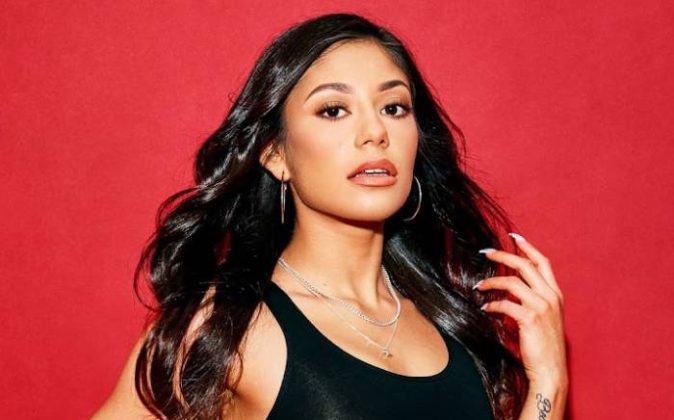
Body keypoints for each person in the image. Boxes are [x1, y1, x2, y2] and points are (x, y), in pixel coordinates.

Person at [92, 12, 568, 420]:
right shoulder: (227, 326)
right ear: (275, 153)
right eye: (334, 110)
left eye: (394, 107)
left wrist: (548, 381)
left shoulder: (454, 322)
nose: (375, 132)